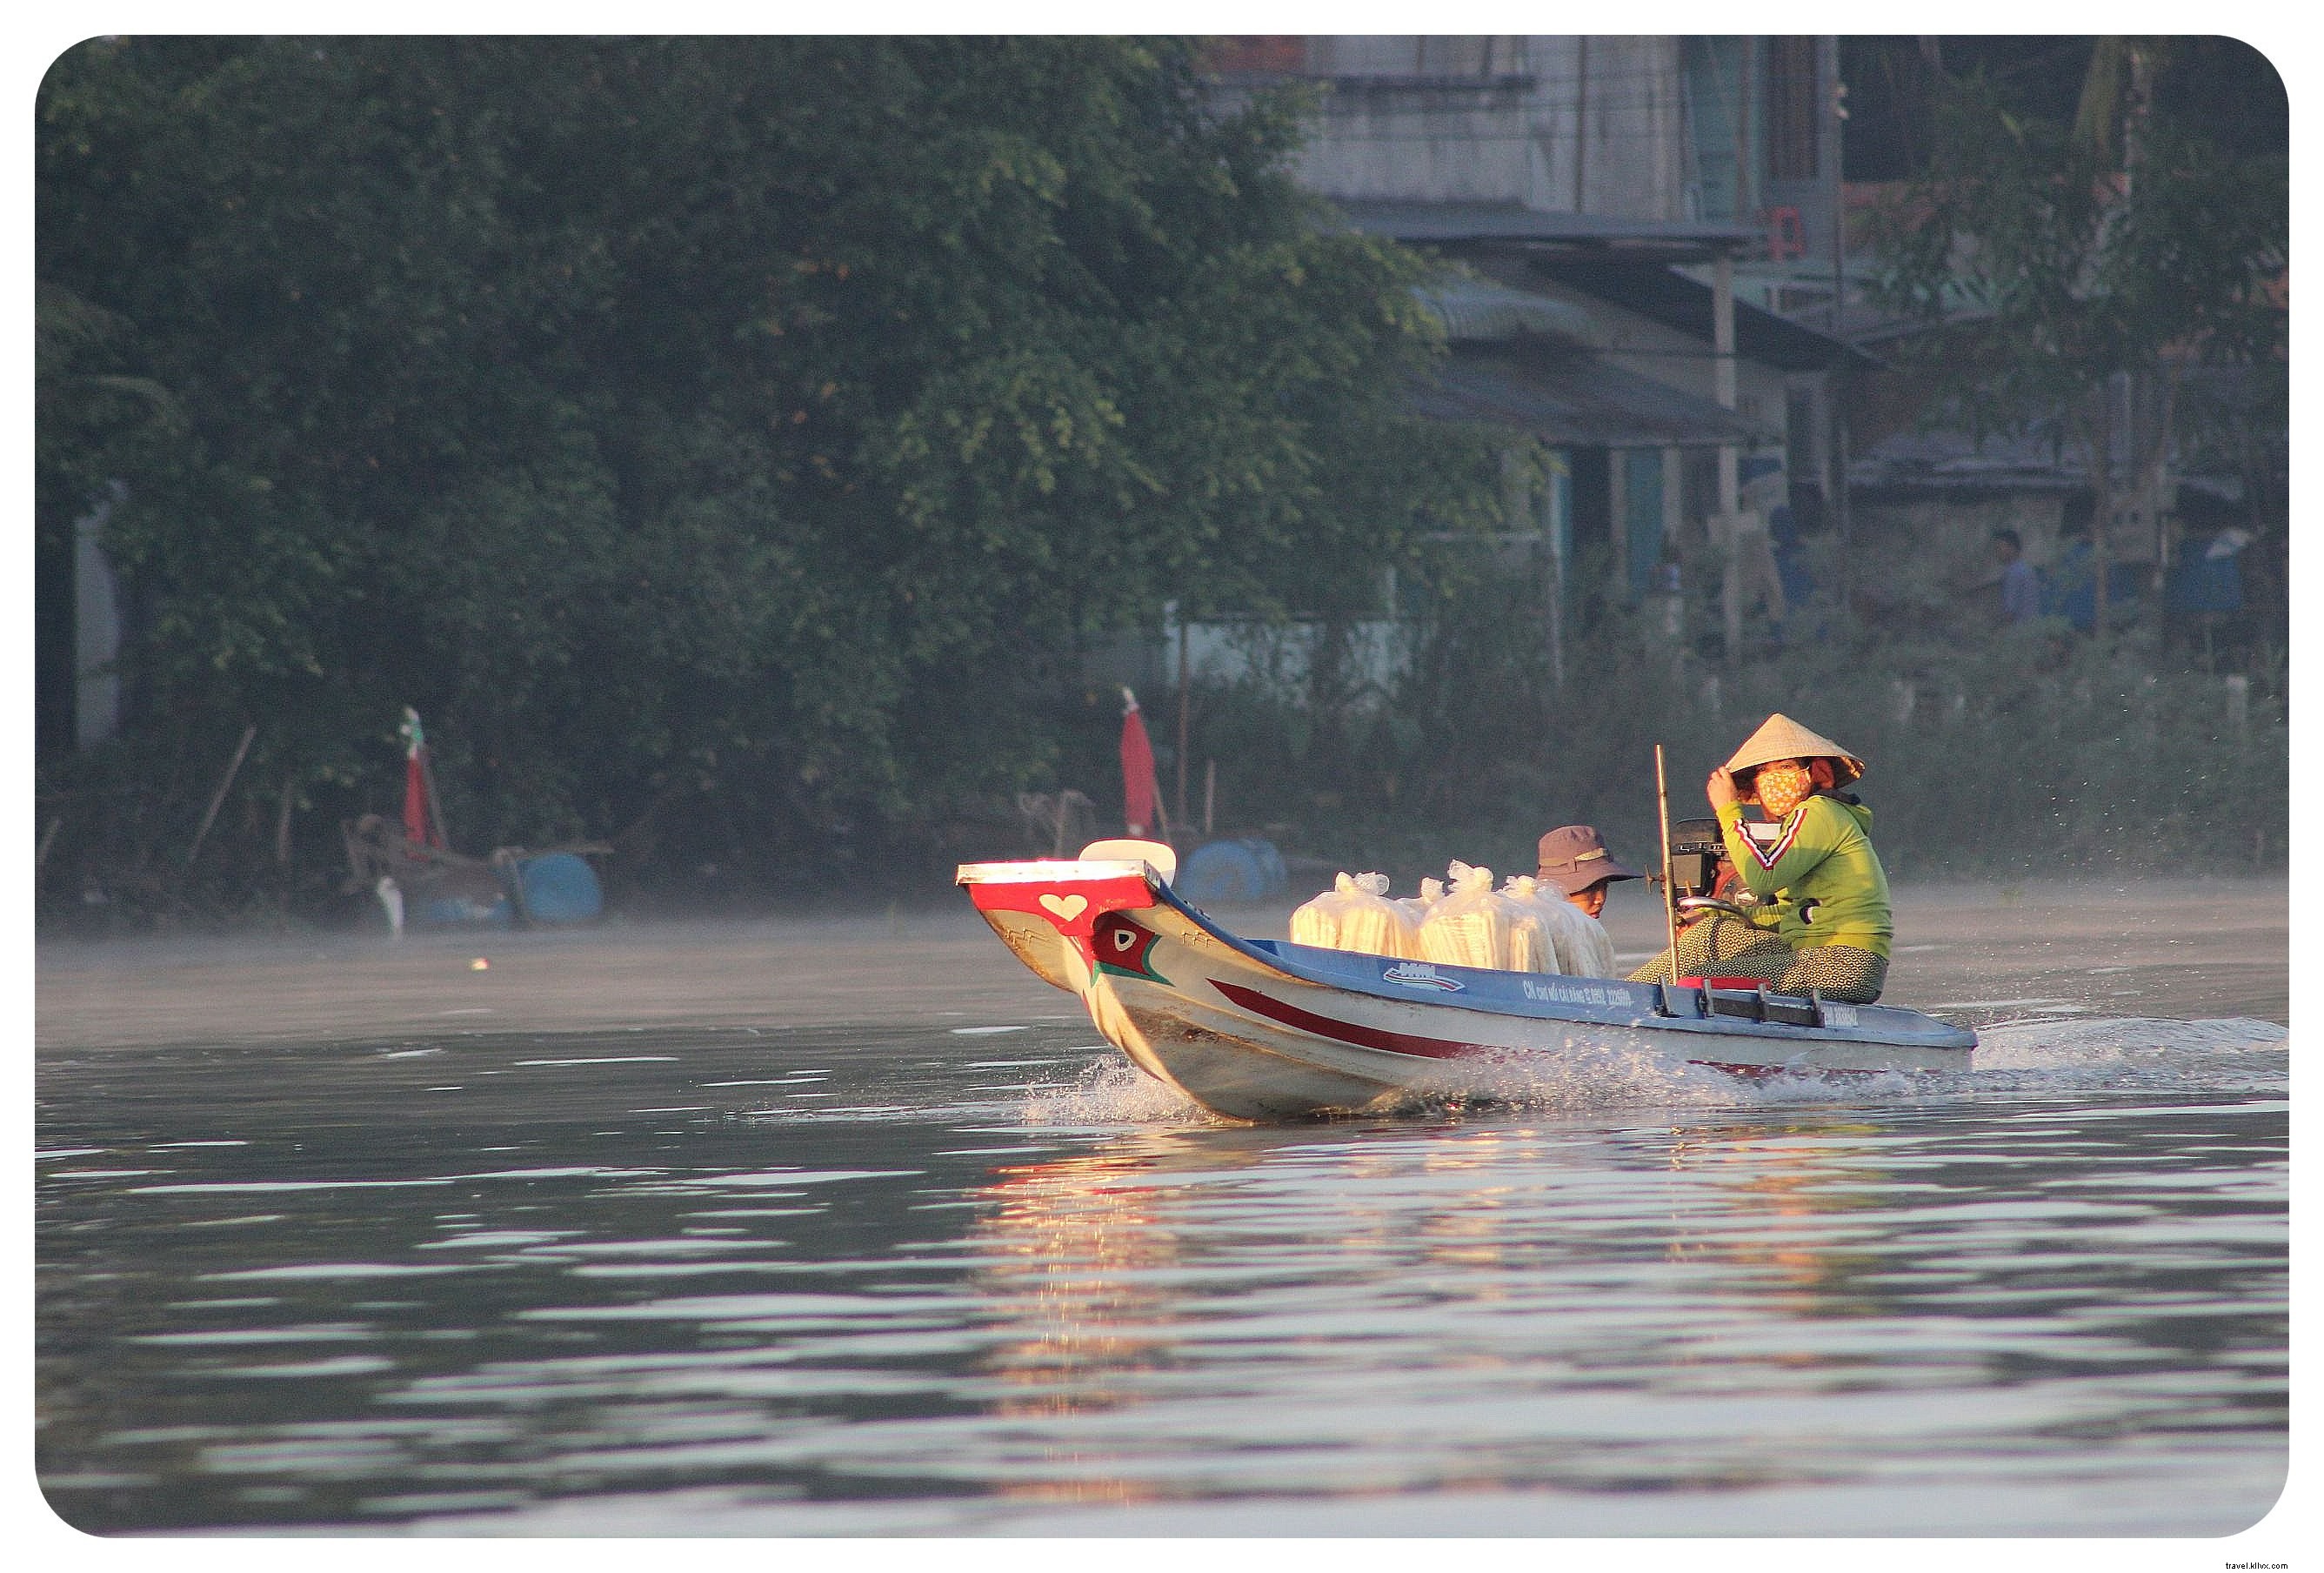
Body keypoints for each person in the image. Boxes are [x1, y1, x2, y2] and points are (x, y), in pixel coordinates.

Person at [1626, 713, 1893, 1003]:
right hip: (1806, 948)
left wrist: (1728, 811)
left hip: (1842, 963)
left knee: (1694, 980)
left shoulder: (1819, 811)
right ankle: (1619, 994)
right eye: (1764, 771)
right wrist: (1716, 914)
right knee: (1708, 935)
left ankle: (1627, 1001)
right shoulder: (1810, 822)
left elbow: (1763, 878)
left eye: (1786, 767)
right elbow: (1792, 914)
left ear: (1817, 772)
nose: (1774, 779)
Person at [1533, 825, 1637, 977]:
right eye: (1590, 888)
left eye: (1604, 886)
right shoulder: (1534, 939)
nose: (1600, 899)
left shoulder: (1587, 939)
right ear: (1556, 890)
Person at [1993, 528, 2040, 625]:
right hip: (2032, 629)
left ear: (2012, 548)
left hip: (2017, 632)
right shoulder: (2028, 570)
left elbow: (2010, 612)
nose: (1997, 552)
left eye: (2000, 548)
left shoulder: (2012, 574)